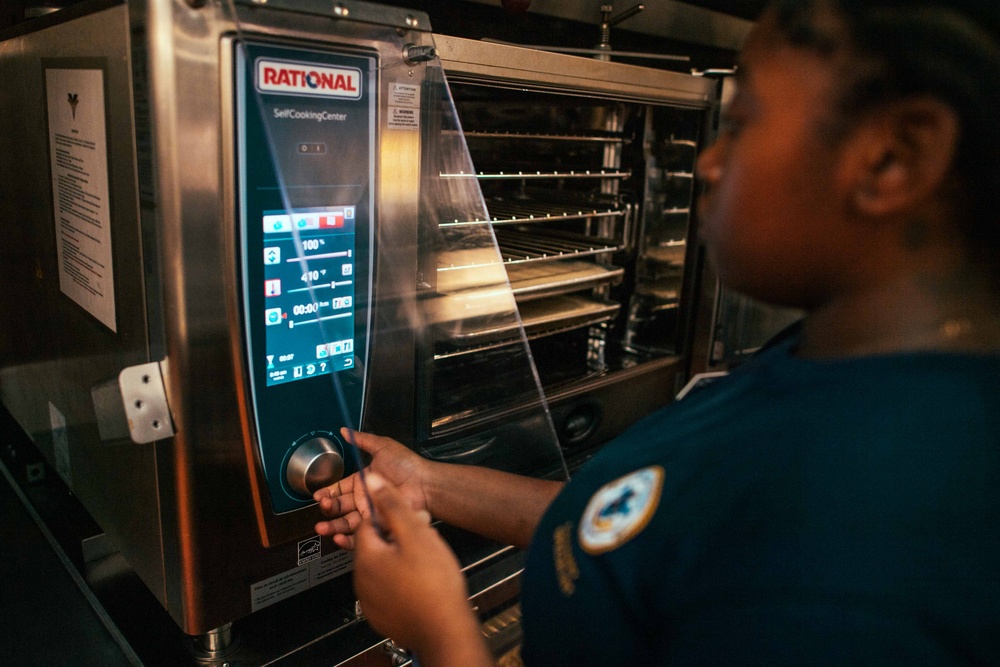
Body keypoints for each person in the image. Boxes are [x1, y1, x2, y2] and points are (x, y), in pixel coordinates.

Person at [314, 0, 1000, 663]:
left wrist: (439, 633)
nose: (706, 160)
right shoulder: (837, 363)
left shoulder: (881, 556)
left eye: (746, 119)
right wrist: (430, 484)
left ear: (894, 156)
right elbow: (651, 522)